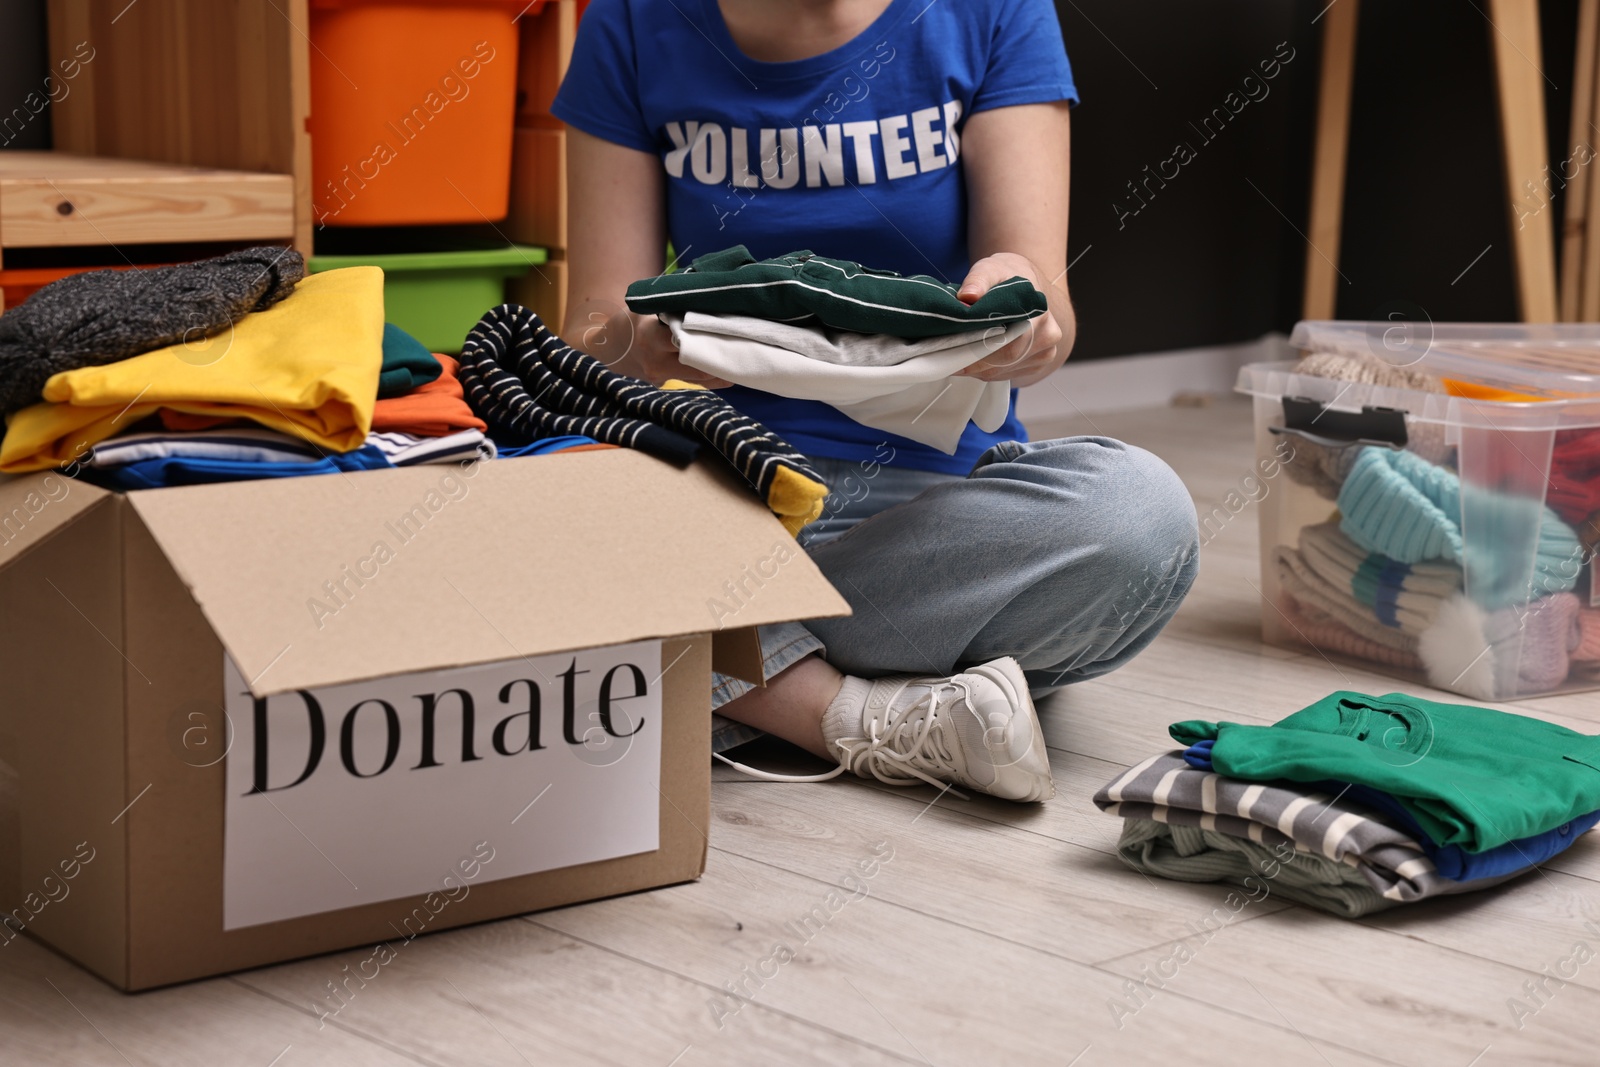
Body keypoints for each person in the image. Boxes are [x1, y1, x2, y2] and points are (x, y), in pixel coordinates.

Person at [551, 0, 1198, 802]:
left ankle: (745, 674)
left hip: (931, 518)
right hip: (721, 491)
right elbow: (587, 330)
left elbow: (1050, 315)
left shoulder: (993, 13)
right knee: (540, 511)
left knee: (1142, 516)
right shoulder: (629, 21)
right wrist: (640, 338)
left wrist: (1020, 317)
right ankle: (863, 710)